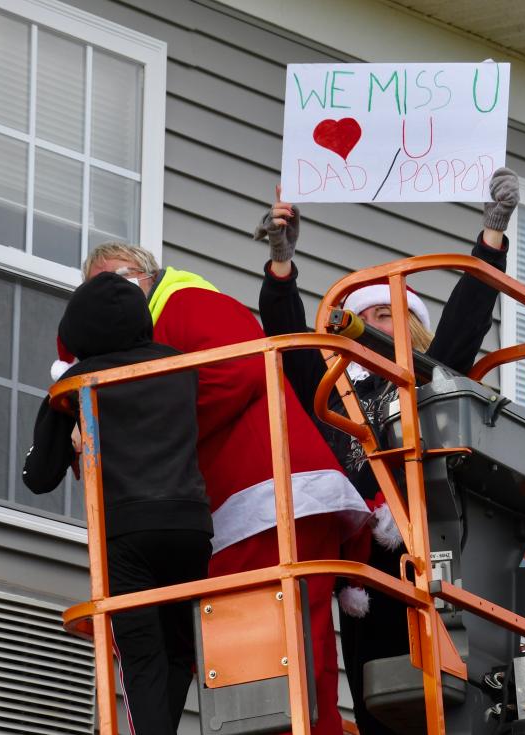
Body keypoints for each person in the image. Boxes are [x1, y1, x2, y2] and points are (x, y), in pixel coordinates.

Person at [254, 168, 520, 734]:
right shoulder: (333, 391)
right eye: (365, 317)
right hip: (358, 566)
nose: (372, 327)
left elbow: (464, 327)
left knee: (430, 704)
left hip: (423, 553)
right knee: (376, 703)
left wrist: (491, 238)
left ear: (413, 333)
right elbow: (290, 344)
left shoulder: (423, 378)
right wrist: (281, 266)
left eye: (386, 316)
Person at [67, 243, 371, 735]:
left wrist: (143, 427)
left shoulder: (183, 302)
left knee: (269, 669)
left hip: (264, 492)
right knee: (283, 666)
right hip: (256, 501)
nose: (108, 295)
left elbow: (241, 369)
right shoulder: (143, 331)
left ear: (144, 276)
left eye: (114, 280)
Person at [23, 272, 212, 735]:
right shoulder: (181, 367)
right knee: (179, 652)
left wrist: (65, 430)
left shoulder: (79, 381)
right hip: (191, 526)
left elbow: (38, 476)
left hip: (128, 532)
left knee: (141, 656)